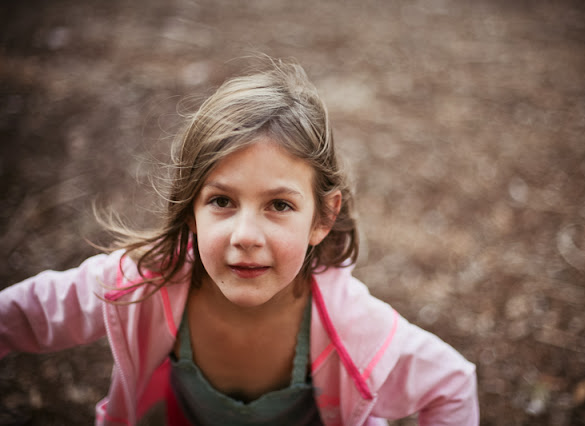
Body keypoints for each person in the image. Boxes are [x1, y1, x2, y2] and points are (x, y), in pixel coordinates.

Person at [0, 58, 479, 425]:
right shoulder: (138, 282)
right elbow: (19, 316)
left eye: (279, 205)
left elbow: (452, 385)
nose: (246, 236)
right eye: (222, 201)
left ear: (323, 217)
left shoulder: (356, 328)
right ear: (191, 207)